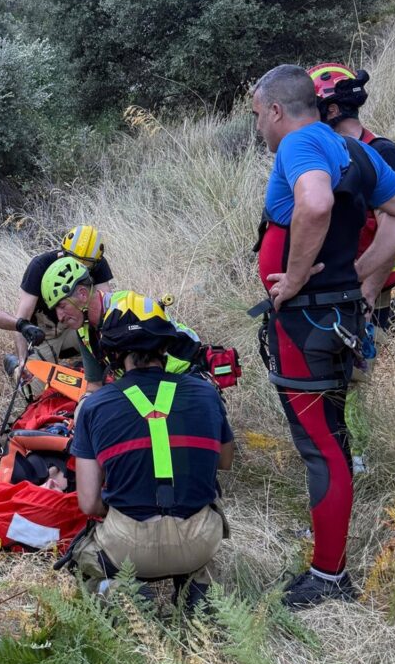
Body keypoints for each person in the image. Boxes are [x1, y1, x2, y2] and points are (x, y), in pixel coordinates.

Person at [250, 64, 395, 608]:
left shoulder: (298, 145)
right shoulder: (352, 148)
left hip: (305, 323)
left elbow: (317, 202)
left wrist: (298, 276)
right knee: (332, 440)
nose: (258, 127)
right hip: (339, 316)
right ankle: (329, 557)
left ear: (277, 110)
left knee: (322, 449)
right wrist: (363, 277)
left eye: (258, 115)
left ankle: (328, 577)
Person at [65, 292, 234, 611]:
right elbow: (224, 461)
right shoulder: (206, 393)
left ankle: (117, 590)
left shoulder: (93, 406)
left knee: (86, 555)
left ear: (113, 353)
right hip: (198, 540)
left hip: (128, 547)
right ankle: (198, 583)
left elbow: (88, 502)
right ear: (165, 345)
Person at [307, 63, 395, 331]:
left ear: (333, 110)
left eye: (313, 109)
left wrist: (368, 294)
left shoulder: (383, 154)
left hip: (368, 285)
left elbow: (393, 229)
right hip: (344, 281)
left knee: (365, 363)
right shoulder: (335, 154)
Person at [39, 257, 202, 391]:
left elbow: (145, 377)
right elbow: (94, 384)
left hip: (187, 375)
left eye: (62, 306)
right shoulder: (84, 330)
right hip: (151, 386)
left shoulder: (126, 312)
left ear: (82, 294)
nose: (59, 317)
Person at [15, 224, 114, 367]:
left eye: (86, 264)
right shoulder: (39, 266)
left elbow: (107, 307)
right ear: (62, 252)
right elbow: (21, 320)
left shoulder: (99, 265)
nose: (78, 268)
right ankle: (13, 365)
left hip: (78, 327)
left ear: (96, 262)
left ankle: (84, 364)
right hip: (45, 336)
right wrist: (21, 362)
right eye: (72, 260)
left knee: (108, 350)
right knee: (32, 385)